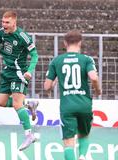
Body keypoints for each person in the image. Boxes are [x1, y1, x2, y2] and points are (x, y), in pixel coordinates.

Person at [0, 11, 39, 151]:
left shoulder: (23, 37)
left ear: (14, 22)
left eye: (7, 22)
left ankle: (29, 135)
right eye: (3, 22)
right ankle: (28, 105)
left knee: (16, 104)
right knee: (1, 102)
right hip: (7, 71)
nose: (4, 25)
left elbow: (35, 55)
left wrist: (29, 71)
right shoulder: (2, 33)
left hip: (19, 73)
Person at [44, 30, 102, 160]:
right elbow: (93, 77)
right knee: (84, 135)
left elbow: (47, 87)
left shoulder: (57, 61)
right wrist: (98, 90)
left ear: (65, 43)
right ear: (80, 42)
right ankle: (82, 156)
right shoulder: (86, 59)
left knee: (69, 142)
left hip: (67, 106)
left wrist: (56, 80)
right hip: (84, 104)